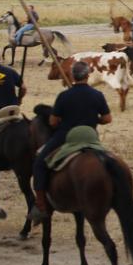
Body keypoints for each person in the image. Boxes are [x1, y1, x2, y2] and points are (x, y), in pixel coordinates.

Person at [30, 61, 113, 224]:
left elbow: (53, 122)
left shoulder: (64, 96)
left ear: (72, 76)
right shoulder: (97, 95)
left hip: (66, 136)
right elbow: (107, 118)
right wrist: (92, 118)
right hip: (90, 136)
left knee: (39, 162)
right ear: (88, 76)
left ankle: (40, 203)